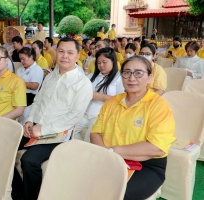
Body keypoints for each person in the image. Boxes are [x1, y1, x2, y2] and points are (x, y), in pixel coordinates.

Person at [12, 37, 93, 200]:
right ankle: (18, 192)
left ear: (78, 56)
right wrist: (29, 120)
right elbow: (37, 101)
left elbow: (74, 116)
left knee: (29, 160)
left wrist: (42, 129)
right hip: (35, 126)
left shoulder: (82, 83)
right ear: (56, 53)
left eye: (70, 53)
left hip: (58, 134)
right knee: (6, 146)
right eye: (61, 51)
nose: (65, 56)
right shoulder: (50, 76)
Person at [90, 55, 175, 200]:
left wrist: (113, 151)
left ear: (149, 78)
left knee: (114, 194)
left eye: (138, 73)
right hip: (110, 159)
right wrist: (108, 154)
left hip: (146, 166)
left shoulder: (159, 106)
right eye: (127, 72)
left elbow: (156, 147)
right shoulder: (112, 103)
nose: (131, 78)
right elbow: (95, 133)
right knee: (82, 185)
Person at [75, 48, 124, 142]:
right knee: (69, 133)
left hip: (101, 115)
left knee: (89, 139)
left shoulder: (119, 78)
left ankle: (84, 151)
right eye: (98, 62)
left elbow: (121, 100)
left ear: (113, 61)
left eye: (104, 62)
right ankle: (80, 149)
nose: (101, 65)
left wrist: (100, 97)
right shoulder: (92, 76)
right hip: (84, 113)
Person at [17, 47, 44, 125]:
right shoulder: (20, 70)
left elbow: (34, 86)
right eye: (20, 59)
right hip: (19, 95)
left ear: (31, 57)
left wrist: (19, 83)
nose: (21, 61)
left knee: (24, 118)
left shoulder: (37, 69)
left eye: (23, 59)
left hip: (30, 98)